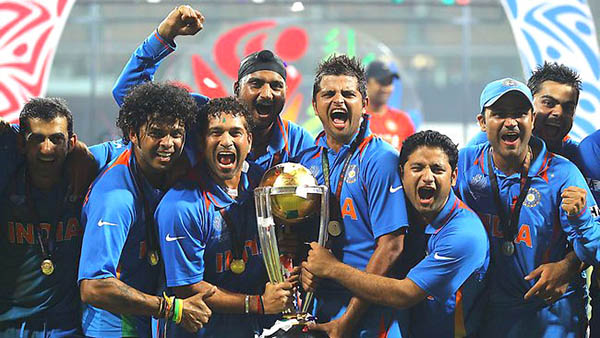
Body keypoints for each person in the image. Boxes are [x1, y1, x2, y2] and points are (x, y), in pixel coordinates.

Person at [302, 130, 489, 337]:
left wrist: (332, 268)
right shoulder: (401, 214)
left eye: (437, 169)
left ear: (453, 177)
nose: (427, 177)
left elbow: (405, 294)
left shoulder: (465, 234)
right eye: (417, 168)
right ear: (401, 173)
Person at [455, 78, 600, 337]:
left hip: (552, 315)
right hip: (489, 315)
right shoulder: (465, 163)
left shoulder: (568, 169)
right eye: (499, 114)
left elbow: (594, 246)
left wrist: (580, 222)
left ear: (531, 119)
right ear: (482, 122)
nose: (510, 121)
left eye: (519, 114)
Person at [78, 82, 214, 337]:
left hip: (150, 321)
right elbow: (94, 287)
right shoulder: (115, 199)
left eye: (176, 133)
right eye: (156, 132)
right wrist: (171, 309)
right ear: (132, 132)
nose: (168, 143)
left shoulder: (170, 168)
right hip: (114, 328)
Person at [112, 5, 314, 170]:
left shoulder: (298, 141)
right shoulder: (202, 116)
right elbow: (128, 93)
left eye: (276, 86)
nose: (267, 94)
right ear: (237, 89)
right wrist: (163, 36)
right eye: (256, 84)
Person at [155, 97, 294, 337]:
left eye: (236, 133)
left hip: (252, 330)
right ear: (201, 142)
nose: (226, 141)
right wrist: (258, 303)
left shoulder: (263, 186)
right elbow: (187, 287)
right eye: (216, 133)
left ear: (249, 141)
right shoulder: (181, 206)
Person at [295, 54, 409, 338]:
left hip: (368, 316)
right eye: (328, 93)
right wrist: (302, 266)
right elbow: (298, 235)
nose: (338, 100)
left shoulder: (380, 159)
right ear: (315, 105)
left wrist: (348, 320)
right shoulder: (304, 162)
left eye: (348, 93)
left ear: (364, 103)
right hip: (318, 309)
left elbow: (391, 247)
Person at [0, 98, 84, 337]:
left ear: (71, 143)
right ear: (21, 144)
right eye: (37, 139)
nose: (47, 149)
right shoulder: (6, 183)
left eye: (56, 139)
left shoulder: (89, 181)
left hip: (67, 327)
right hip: (9, 325)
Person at [365, 60, 414, 150]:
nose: (385, 88)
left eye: (389, 82)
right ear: (366, 84)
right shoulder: (357, 119)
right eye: (381, 82)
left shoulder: (403, 120)